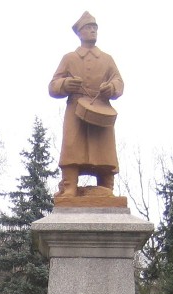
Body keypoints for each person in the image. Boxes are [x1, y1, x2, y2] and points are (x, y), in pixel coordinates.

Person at [48, 11, 124, 198]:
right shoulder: (69, 58)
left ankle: (107, 187)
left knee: (104, 150)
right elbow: (53, 86)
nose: (92, 31)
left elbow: (119, 82)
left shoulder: (107, 59)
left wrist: (111, 88)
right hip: (76, 109)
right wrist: (65, 84)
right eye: (88, 28)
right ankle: (70, 187)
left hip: (101, 110)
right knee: (73, 147)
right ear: (79, 33)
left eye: (94, 28)